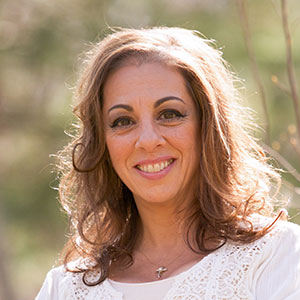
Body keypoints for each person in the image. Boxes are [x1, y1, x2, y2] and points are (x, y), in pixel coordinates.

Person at [36, 27, 300, 300]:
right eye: (123, 121)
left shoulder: (277, 256)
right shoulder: (66, 288)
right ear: (103, 143)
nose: (148, 140)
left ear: (208, 127)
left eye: (169, 114)